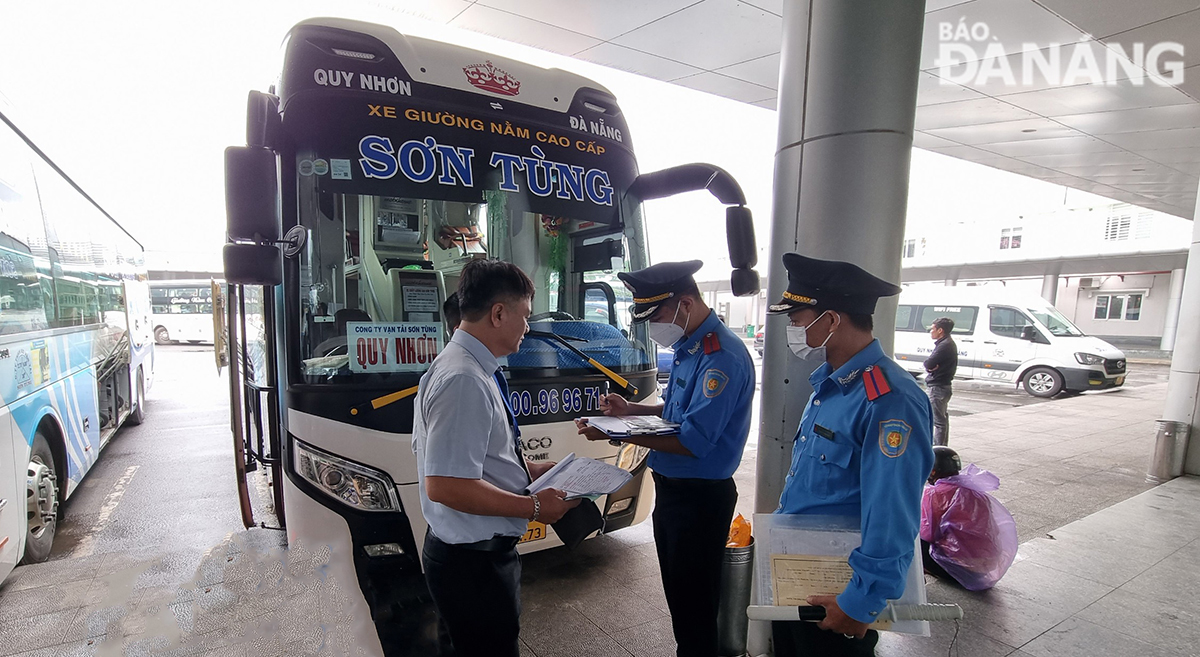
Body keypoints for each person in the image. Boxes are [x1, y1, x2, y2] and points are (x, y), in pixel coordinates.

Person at [575, 260, 755, 657]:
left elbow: (693, 440)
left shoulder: (721, 357)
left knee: (696, 605)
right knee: (681, 599)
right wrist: (631, 410)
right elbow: (677, 415)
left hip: (700, 499)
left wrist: (611, 430)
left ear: (686, 304)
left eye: (655, 315)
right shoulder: (690, 348)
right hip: (675, 494)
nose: (653, 326)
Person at [411, 259, 578, 657]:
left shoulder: (469, 368)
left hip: (471, 559)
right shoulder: (464, 379)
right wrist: (534, 505)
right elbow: (447, 485)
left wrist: (531, 471)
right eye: (524, 315)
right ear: (498, 313)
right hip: (472, 568)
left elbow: (477, 459)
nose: (527, 326)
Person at [770, 253, 934, 657]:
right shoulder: (831, 384)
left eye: (797, 318)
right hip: (801, 574)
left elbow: (892, 512)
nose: (793, 328)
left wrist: (861, 602)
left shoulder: (889, 400)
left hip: (839, 592)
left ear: (831, 320)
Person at [921, 446, 1018, 591]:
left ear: (932, 471)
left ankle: (927, 569)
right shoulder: (975, 491)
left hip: (957, 570)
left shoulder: (936, 495)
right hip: (984, 570)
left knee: (914, 538)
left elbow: (927, 534)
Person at [924, 317, 957, 446]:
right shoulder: (946, 343)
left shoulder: (945, 345)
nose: (931, 331)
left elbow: (928, 363)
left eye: (933, 329)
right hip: (943, 386)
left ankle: (938, 448)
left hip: (938, 387)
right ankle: (942, 446)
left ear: (940, 330)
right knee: (942, 418)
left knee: (938, 421)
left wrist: (930, 367)